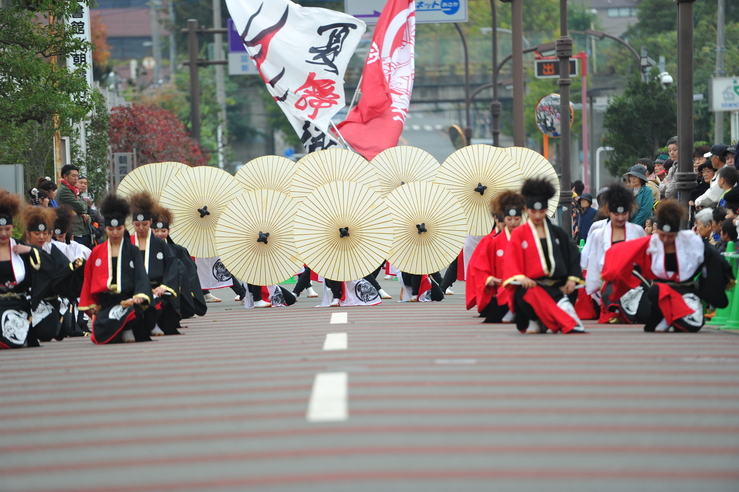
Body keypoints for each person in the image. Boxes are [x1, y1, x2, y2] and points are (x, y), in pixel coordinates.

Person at [601, 200, 735, 333]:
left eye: (670, 236)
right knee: (656, 291)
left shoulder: (692, 240)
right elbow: (621, 253)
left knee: (693, 325)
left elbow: (714, 258)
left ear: (677, 233)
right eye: (662, 235)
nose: (665, 240)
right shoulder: (650, 243)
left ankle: (673, 319)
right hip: (660, 291)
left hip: (685, 290)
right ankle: (663, 317)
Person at [502, 177, 586, 334]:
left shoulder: (557, 232)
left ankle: (554, 318)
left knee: (565, 292)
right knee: (525, 292)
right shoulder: (520, 233)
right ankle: (538, 320)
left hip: (557, 284)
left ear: (546, 210)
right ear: (527, 209)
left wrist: (572, 279)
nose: (538, 216)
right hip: (533, 284)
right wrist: (520, 277)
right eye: (533, 212)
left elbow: (573, 254)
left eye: (542, 212)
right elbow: (511, 258)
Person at [79, 194, 152, 344]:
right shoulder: (97, 252)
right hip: (107, 301)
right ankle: (120, 329)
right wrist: (92, 304)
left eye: (119, 228)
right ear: (105, 229)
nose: (115, 233)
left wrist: (140, 295)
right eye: (111, 229)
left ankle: (128, 328)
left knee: (135, 313)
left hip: (129, 300)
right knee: (99, 335)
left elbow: (141, 276)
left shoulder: (132, 250)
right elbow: (88, 279)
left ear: (124, 228)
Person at [582, 184, 647, 324]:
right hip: (610, 282)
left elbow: (645, 262)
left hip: (633, 281)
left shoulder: (637, 231)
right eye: (616, 214)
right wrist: (596, 285)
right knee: (611, 299)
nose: (620, 218)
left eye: (624, 214)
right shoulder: (598, 234)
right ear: (608, 211)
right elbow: (594, 262)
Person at [0, 190, 56, 349]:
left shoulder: (21, 248)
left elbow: (50, 266)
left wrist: (31, 251)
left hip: (18, 303)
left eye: (7, 229)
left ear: (12, 227)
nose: (4, 233)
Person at [466, 190, 524, 323]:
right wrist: (489, 278)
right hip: (501, 287)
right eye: (509, 219)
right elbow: (480, 264)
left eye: (517, 219)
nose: (513, 223)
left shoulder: (528, 239)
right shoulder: (494, 241)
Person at [129, 192, 180, 336]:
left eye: (144, 224)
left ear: (150, 222)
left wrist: (164, 286)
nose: (140, 228)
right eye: (137, 224)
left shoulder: (159, 244)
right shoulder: (127, 244)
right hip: (133, 288)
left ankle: (153, 323)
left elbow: (171, 265)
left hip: (156, 287)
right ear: (132, 224)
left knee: (159, 300)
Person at [151, 207, 207, 319]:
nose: (160, 234)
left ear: (168, 231)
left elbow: (190, 272)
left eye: (163, 231)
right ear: (151, 231)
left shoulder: (178, 250)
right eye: (156, 231)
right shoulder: (145, 250)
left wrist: (188, 290)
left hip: (176, 289)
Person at [56, 165, 92, 248]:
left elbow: (84, 207)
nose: (76, 178)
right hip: (73, 230)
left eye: (77, 176)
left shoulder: (72, 189)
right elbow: (81, 207)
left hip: (79, 229)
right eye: (73, 176)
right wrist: (83, 206)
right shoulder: (64, 190)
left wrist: (83, 206)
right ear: (65, 176)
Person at [695, 144, 729, 209]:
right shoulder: (722, 171)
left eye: (711, 157)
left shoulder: (725, 173)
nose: (710, 160)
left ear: (717, 158)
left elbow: (711, 196)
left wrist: (697, 202)